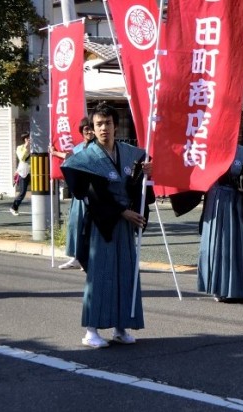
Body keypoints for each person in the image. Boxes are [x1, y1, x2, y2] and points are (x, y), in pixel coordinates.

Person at [61, 103, 154, 349]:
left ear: (116, 125)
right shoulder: (89, 157)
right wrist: (123, 212)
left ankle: (121, 327)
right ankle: (91, 329)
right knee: (100, 275)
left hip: (126, 222)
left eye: (108, 123)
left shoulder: (129, 153)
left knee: (125, 273)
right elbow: (92, 194)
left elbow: (136, 187)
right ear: (92, 128)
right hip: (104, 223)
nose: (104, 128)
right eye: (99, 124)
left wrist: (145, 173)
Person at [197, 142, 243, 303]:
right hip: (214, 201)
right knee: (214, 245)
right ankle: (217, 288)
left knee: (238, 245)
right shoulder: (209, 149)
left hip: (236, 203)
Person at [50, 117, 94, 270]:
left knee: (88, 227)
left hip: (93, 194)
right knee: (75, 224)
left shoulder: (98, 147)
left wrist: (56, 153)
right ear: (81, 131)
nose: (89, 131)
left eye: (91, 128)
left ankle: (87, 257)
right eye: (85, 129)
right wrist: (55, 152)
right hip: (78, 193)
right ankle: (76, 257)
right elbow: (71, 157)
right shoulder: (79, 147)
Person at [10, 132, 31, 216]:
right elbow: (22, 158)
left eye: (29, 138)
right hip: (23, 172)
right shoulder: (20, 148)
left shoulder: (34, 147)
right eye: (27, 138)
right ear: (24, 139)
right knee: (23, 192)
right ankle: (14, 207)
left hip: (33, 172)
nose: (29, 140)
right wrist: (26, 147)